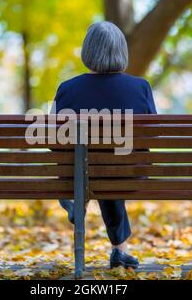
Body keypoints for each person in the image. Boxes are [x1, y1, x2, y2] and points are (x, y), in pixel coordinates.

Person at [52, 21, 157, 269]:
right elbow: (152, 135)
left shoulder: (67, 89)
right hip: (128, 172)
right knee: (109, 167)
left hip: (77, 174)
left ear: (88, 51)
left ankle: (77, 202)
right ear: (121, 51)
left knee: (93, 166)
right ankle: (120, 251)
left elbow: (53, 141)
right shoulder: (140, 87)